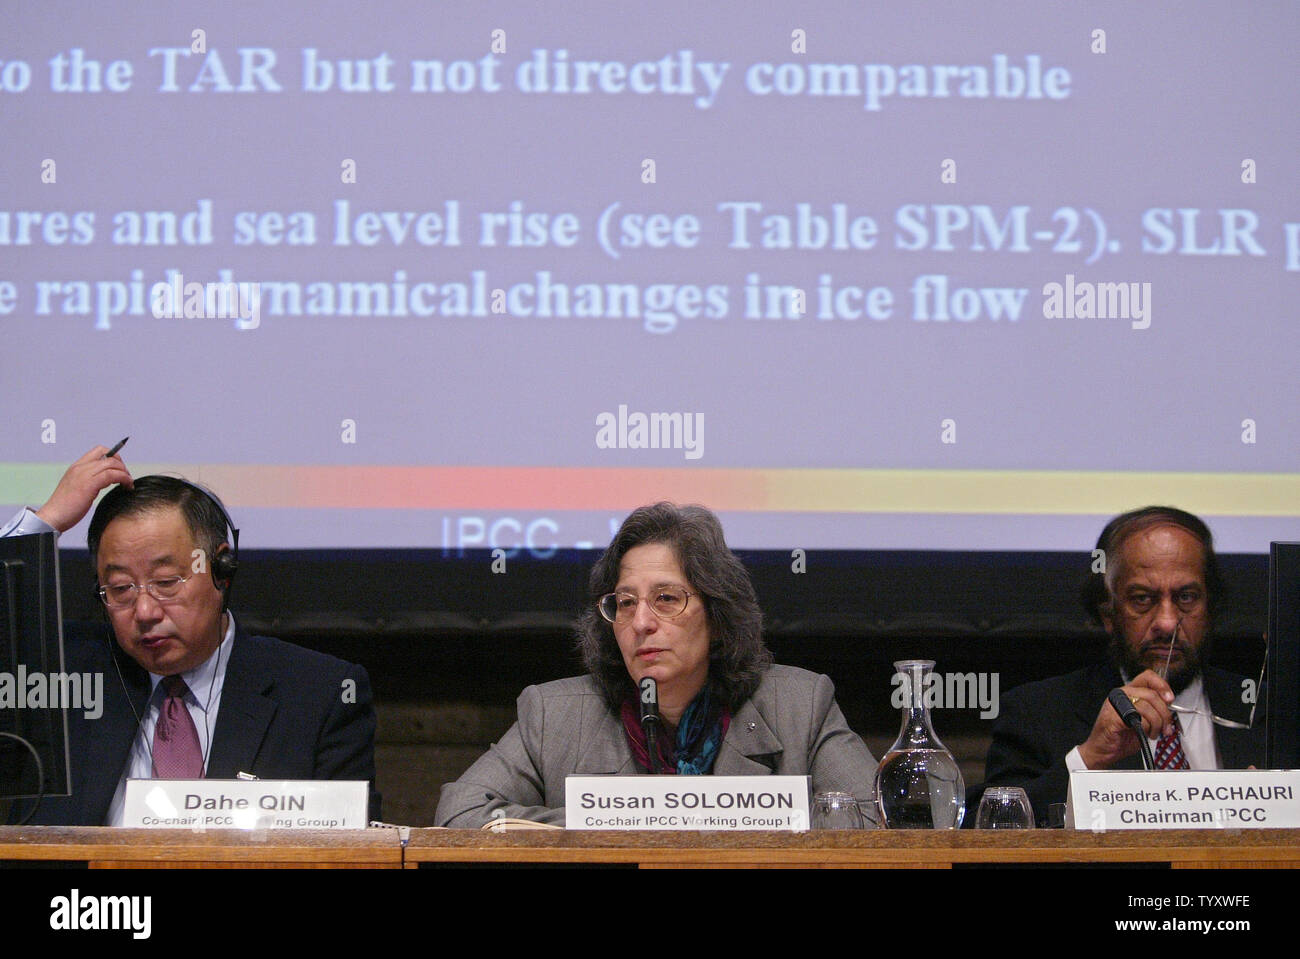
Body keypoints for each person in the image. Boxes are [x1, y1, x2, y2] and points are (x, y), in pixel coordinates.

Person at [436, 502, 876, 828]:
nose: (641, 622)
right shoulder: (554, 715)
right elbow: (461, 813)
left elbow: (876, 819)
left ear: (719, 616)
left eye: (666, 598)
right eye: (625, 603)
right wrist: (611, 822)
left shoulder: (800, 706)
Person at [8, 462, 380, 825]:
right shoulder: (60, 678)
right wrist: (43, 524)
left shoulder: (319, 693)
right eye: (120, 589)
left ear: (221, 571)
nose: (145, 611)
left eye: (167, 582)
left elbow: (355, 850)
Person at [982, 506, 1264, 820]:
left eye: (1186, 597)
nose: (1167, 623)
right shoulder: (1036, 712)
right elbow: (992, 825)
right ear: (1108, 614)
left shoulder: (1270, 708)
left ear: (1210, 608)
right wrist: (1090, 759)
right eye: (1142, 598)